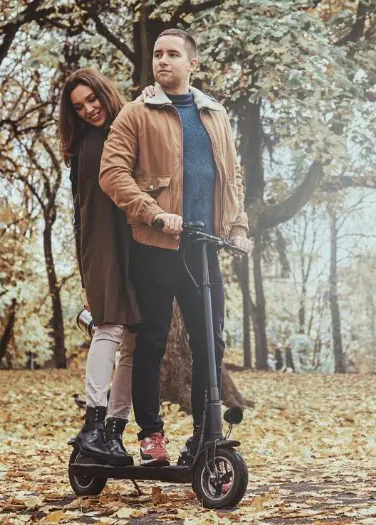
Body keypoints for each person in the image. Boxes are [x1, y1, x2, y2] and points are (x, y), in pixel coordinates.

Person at [100, 29, 251, 465]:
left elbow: (231, 178)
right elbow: (113, 174)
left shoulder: (214, 113)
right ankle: (151, 435)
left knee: (211, 343)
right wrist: (153, 212)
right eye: (158, 54)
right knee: (152, 339)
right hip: (156, 245)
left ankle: (205, 433)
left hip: (204, 248)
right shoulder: (136, 113)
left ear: (192, 64)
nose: (163, 61)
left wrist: (237, 226)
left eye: (172, 54)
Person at [58, 68, 142, 467]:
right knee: (109, 326)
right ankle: (93, 423)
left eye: (92, 99)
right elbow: (91, 212)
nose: (90, 109)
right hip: (104, 245)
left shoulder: (127, 127)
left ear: (104, 93)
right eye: (79, 107)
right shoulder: (91, 145)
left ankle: (114, 431)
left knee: (135, 340)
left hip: (136, 245)